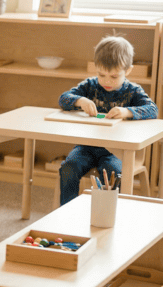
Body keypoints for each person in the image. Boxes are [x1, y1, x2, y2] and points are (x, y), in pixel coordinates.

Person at [57, 36, 157, 205]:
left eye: (114, 76)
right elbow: (63, 98)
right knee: (68, 168)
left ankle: (107, 213)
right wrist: (80, 100)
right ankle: (66, 211)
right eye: (101, 74)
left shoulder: (132, 91)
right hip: (86, 146)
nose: (107, 81)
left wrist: (127, 111)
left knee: (114, 173)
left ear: (128, 71)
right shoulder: (90, 85)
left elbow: (153, 109)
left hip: (116, 150)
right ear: (96, 68)